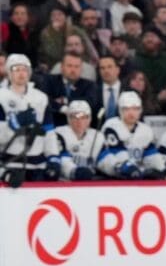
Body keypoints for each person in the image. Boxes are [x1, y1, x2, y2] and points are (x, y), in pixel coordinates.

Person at [0, 54, 53, 185]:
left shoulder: (41, 98)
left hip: (37, 164)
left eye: (24, 69)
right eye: (16, 69)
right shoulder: (1, 97)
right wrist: (15, 124)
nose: (21, 73)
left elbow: (49, 131)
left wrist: (53, 157)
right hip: (10, 163)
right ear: (9, 73)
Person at [96, 90, 159, 179]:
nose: (131, 113)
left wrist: (161, 168)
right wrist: (130, 168)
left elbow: (151, 155)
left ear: (140, 110)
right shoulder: (111, 126)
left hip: (137, 174)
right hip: (113, 176)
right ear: (120, 110)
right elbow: (117, 153)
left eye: (135, 109)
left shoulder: (146, 130)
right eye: (127, 109)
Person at [43, 99, 102, 181]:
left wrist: (117, 167)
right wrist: (74, 171)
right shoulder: (58, 134)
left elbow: (104, 159)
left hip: (90, 183)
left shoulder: (98, 136)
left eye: (83, 117)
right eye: (75, 117)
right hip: (65, 184)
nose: (79, 121)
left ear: (89, 119)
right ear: (68, 119)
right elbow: (62, 160)